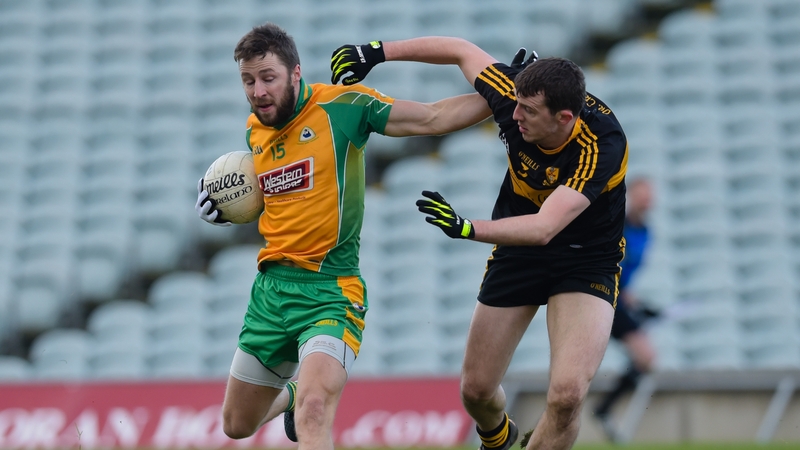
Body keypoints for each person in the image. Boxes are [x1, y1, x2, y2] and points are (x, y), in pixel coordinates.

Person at [194, 24, 493, 450]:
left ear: (296, 73)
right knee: (237, 425)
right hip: (270, 295)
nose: (257, 91)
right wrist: (223, 210)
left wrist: (502, 96)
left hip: (331, 292)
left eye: (268, 78)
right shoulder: (253, 132)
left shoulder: (343, 107)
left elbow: (434, 116)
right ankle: (293, 395)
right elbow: (277, 198)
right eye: (248, 80)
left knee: (315, 410)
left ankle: (305, 398)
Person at [330, 38, 628, 450]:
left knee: (567, 395)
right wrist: (378, 52)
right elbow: (459, 49)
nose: (512, 114)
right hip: (519, 251)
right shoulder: (513, 95)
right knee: (475, 390)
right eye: (516, 104)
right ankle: (498, 438)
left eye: (528, 111)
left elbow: (544, 227)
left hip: (585, 260)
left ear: (564, 118)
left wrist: (468, 228)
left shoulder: (603, 146)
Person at [592, 177, 658, 442]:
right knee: (645, 356)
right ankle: (602, 409)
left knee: (646, 358)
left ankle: (603, 409)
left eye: (649, 194)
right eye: (642, 194)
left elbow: (627, 275)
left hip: (619, 298)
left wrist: (640, 304)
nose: (647, 199)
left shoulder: (646, 232)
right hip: (605, 296)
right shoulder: (619, 225)